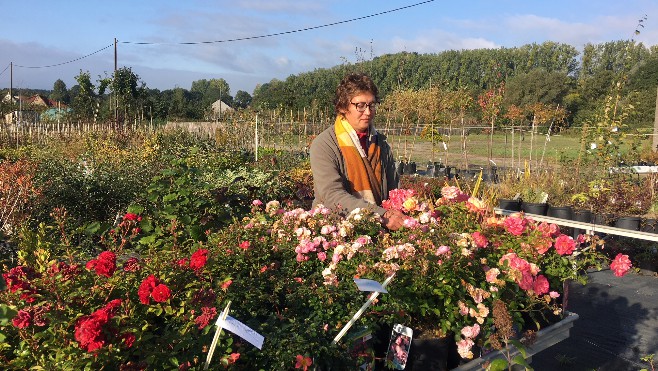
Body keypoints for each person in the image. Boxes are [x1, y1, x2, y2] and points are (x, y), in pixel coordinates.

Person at [310, 72, 405, 231]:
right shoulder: (325, 144)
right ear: (342, 107)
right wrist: (380, 214)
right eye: (360, 105)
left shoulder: (380, 143)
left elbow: (394, 188)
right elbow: (332, 196)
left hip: (378, 229)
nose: (368, 112)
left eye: (371, 105)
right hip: (337, 229)